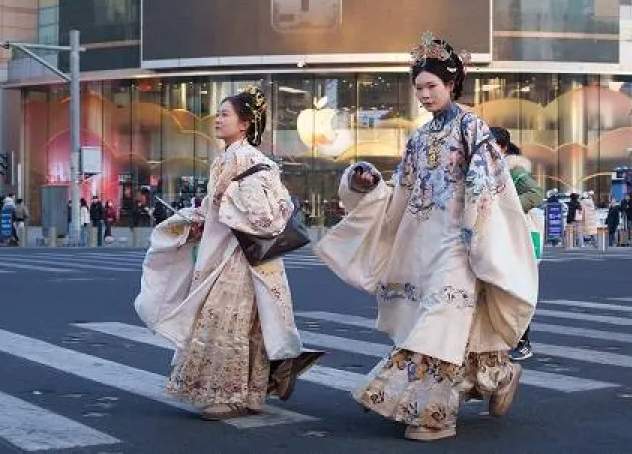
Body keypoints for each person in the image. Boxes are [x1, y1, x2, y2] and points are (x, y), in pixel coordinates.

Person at [317, 33, 538, 443]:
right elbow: (402, 191)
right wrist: (365, 181)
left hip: (461, 241)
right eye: (418, 88)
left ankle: (435, 414)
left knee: (440, 318)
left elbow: (489, 187)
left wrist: (476, 228)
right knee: (446, 321)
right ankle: (500, 373)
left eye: (431, 86)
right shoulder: (419, 139)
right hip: (422, 241)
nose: (424, 94)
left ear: (452, 84)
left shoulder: (473, 128)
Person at [135, 86, 322, 421]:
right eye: (218, 114)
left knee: (228, 322)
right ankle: (251, 393)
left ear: (245, 123)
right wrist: (197, 222)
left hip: (240, 258)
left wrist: (230, 198)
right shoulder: (225, 159)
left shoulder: (252, 160)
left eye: (225, 114)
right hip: (226, 252)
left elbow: (270, 212)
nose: (217, 119)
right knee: (247, 323)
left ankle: (232, 394)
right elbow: (214, 209)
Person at [490, 125, 543, 363]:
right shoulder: (489, 169)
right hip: (497, 236)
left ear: (502, 148)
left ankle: (522, 342)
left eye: (489, 146)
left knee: (516, 289)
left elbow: (535, 194)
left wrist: (507, 208)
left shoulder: (515, 169)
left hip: (517, 237)